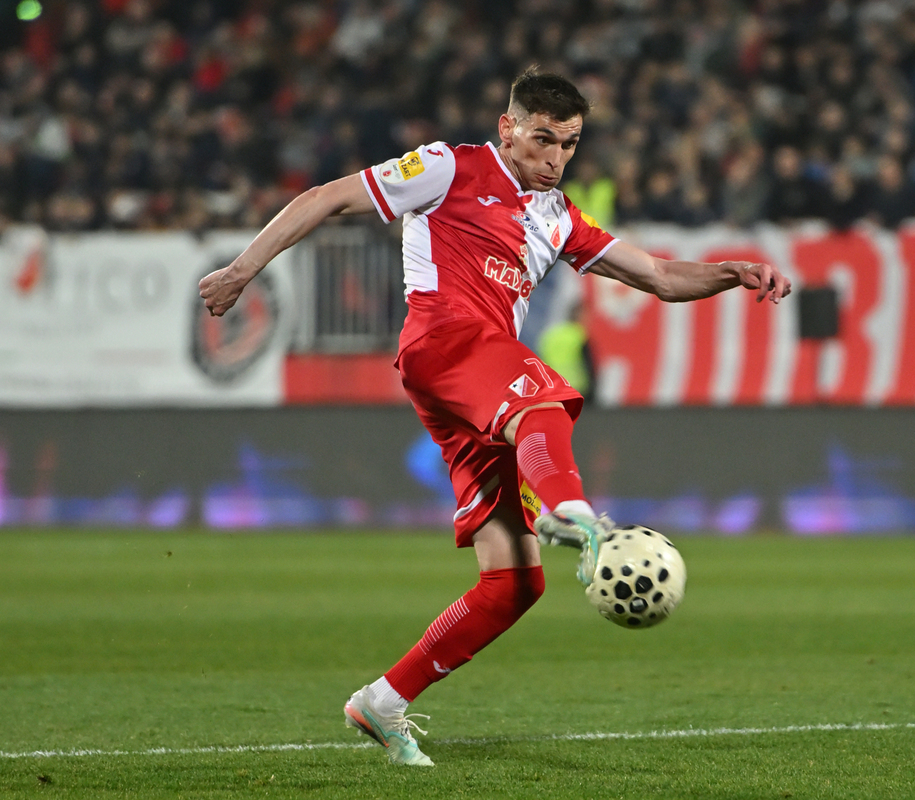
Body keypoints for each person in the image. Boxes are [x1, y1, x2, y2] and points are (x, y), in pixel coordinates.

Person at [198, 68, 791, 767]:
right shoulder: (449, 167)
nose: (555, 157)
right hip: (445, 340)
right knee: (543, 395)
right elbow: (327, 198)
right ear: (509, 128)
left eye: (569, 144)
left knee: (514, 580)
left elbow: (658, 276)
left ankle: (384, 702)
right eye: (543, 139)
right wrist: (243, 269)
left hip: (472, 386)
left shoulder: (557, 215)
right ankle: (574, 513)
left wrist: (728, 271)